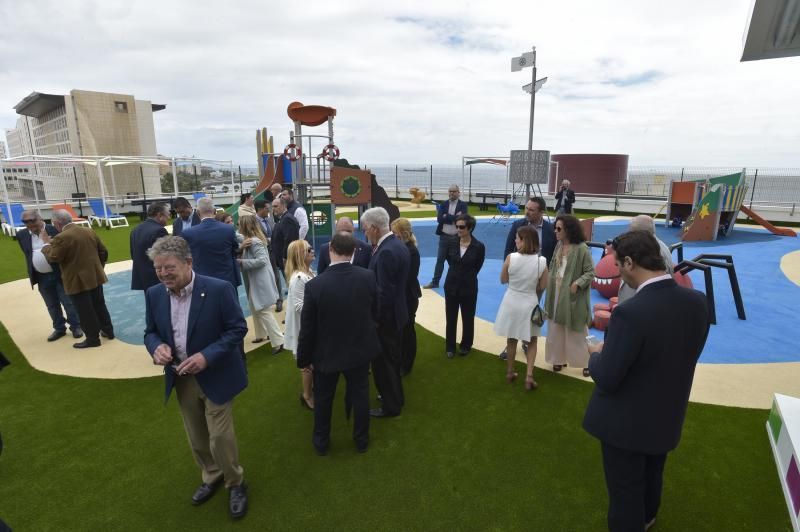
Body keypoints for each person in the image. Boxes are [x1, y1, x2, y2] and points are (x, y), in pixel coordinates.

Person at [583, 230, 710, 532]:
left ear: (629, 262)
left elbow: (608, 377)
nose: (617, 272)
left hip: (626, 424)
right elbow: (688, 354)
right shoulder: (697, 302)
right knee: (654, 472)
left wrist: (595, 354)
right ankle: (649, 518)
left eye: (617, 265)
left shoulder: (630, 313)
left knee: (625, 491)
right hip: (667, 414)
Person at [143, 236, 249, 520]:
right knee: (197, 436)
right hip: (181, 376)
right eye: (158, 269)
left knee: (219, 437)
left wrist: (207, 356)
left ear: (188, 263)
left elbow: (237, 329)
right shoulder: (154, 294)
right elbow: (150, 331)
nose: (164, 274)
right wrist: (157, 347)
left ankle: (235, 482)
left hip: (217, 373)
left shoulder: (219, 289)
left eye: (170, 268)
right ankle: (211, 475)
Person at [297, 233, 381, 456]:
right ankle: (361, 440)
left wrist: (304, 359)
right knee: (361, 395)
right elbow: (376, 312)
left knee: (323, 399)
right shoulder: (368, 277)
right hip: (360, 351)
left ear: (330, 250)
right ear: (353, 252)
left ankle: (321, 443)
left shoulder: (315, 285)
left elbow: (308, 329)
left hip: (326, 354)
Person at [40, 210, 113, 349]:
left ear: (57, 223)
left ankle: (92, 339)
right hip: (95, 276)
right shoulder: (88, 231)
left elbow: (53, 257)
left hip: (76, 281)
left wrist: (45, 245)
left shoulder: (61, 237)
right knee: (99, 305)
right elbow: (103, 251)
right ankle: (109, 331)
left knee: (84, 310)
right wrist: (98, 268)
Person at [362, 207, 409, 418]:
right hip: (396, 315)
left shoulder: (387, 251)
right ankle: (396, 398)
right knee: (392, 360)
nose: (364, 234)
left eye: (365, 229)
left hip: (386, 320)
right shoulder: (397, 245)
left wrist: (375, 322)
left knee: (385, 364)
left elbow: (383, 294)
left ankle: (391, 406)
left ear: (373, 228)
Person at [493, 225, 548, 389]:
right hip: (529, 302)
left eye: (518, 238)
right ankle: (529, 376)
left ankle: (510, 372)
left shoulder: (511, 258)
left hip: (511, 300)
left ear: (524, 240)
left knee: (511, 339)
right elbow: (543, 285)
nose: (515, 240)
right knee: (531, 340)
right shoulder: (541, 261)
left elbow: (503, 279)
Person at [15, 210, 82, 341]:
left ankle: (76, 326)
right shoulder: (22, 235)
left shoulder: (55, 230)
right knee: (51, 304)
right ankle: (59, 328)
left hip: (60, 274)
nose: (29, 224)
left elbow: (66, 251)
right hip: (41, 277)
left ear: (40, 218)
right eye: (25, 222)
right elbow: (27, 253)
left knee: (68, 302)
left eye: (32, 220)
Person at [544, 214, 594, 376]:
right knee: (555, 327)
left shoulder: (581, 248)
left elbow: (590, 272)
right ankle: (558, 359)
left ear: (569, 230)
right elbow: (553, 268)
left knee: (577, 330)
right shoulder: (559, 246)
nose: (555, 231)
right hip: (556, 293)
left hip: (573, 296)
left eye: (559, 228)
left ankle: (588, 361)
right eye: (555, 228)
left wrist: (578, 283)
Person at [237, 216, 284, 355]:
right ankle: (261, 334)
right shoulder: (250, 239)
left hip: (260, 280)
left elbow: (262, 261)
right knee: (254, 306)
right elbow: (238, 237)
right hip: (257, 280)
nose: (237, 226)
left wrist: (241, 262)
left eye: (239, 224)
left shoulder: (255, 241)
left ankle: (279, 341)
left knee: (263, 310)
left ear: (245, 226)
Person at [444, 214, 485, 359]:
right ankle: (450, 346)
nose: (458, 229)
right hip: (451, 286)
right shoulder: (451, 242)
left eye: (461, 227)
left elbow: (477, 266)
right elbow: (450, 261)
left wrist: (465, 275)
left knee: (468, 318)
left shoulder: (479, 246)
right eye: (457, 226)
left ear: (470, 228)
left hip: (469, 287)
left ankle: (466, 345)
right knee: (451, 317)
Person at [181, 198, 241, 290]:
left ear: (197, 212)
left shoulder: (188, 233)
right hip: (227, 280)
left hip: (202, 282)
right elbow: (235, 250)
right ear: (214, 211)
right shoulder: (228, 229)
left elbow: (185, 257)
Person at [284, 239, 316, 410]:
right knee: (307, 364)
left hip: (309, 325)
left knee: (311, 361)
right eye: (308, 249)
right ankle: (307, 395)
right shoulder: (299, 278)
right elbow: (298, 306)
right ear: (300, 254)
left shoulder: (308, 272)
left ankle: (311, 389)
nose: (312, 251)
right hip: (304, 327)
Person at [616, 215, 674, 304]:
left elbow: (656, 286)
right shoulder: (657, 246)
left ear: (640, 234)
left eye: (631, 232)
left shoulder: (655, 251)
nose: (628, 235)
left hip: (640, 306)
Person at [391, 217, 422, 375]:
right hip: (402, 296)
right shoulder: (404, 248)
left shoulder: (411, 252)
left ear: (403, 234)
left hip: (408, 296)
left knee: (408, 330)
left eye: (395, 234)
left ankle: (406, 364)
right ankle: (401, 360)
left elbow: (408, 277)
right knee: (401, 330)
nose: (393, 237)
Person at [424, 184, 468, 289]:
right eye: (450, 191)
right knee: (440, 260)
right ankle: (435, 282)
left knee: (454, 261)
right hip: (444, 237)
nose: (452, 193)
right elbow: (440, 219)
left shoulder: (463, 205)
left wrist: (446, 216)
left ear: (458, 193)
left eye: (454, 191)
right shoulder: (443, 204)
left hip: (455, 238)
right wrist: (454, 217)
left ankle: (456, 281)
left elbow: (462, 219)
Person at [504, 197, 556, 264]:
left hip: (542, 271)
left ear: (541, 212)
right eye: (526, 208)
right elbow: (508, 249)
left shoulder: (551, 229)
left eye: (531, 210)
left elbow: (554, 253)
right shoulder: (517, 225)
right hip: (520, 269)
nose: (527, 212)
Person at [130, 202, 169, 291]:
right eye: (167, 215)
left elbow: (133, 255)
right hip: (158, 279)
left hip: (143, 278)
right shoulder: (160, 231)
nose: (168, 218)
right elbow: (167, 257)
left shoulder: (135, 230)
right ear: (159, 215)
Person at [254, 199, 282, 312]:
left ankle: (279, 300)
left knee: (276, 276)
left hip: (273, 253)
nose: (269, 210)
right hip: (261, 254)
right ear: (260, 209)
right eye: (267, 208)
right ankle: (265, 301)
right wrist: (269, 240)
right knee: (262, 278)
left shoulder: (270, 220)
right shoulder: (253, 221)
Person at [271, 197, 300, 271]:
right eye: (272, 206)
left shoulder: (287, 219)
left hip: (287, 260)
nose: (273, 209)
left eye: (276, 206)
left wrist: (286, 257)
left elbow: (290, 239)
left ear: (284, 206)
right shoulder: (282, 218)